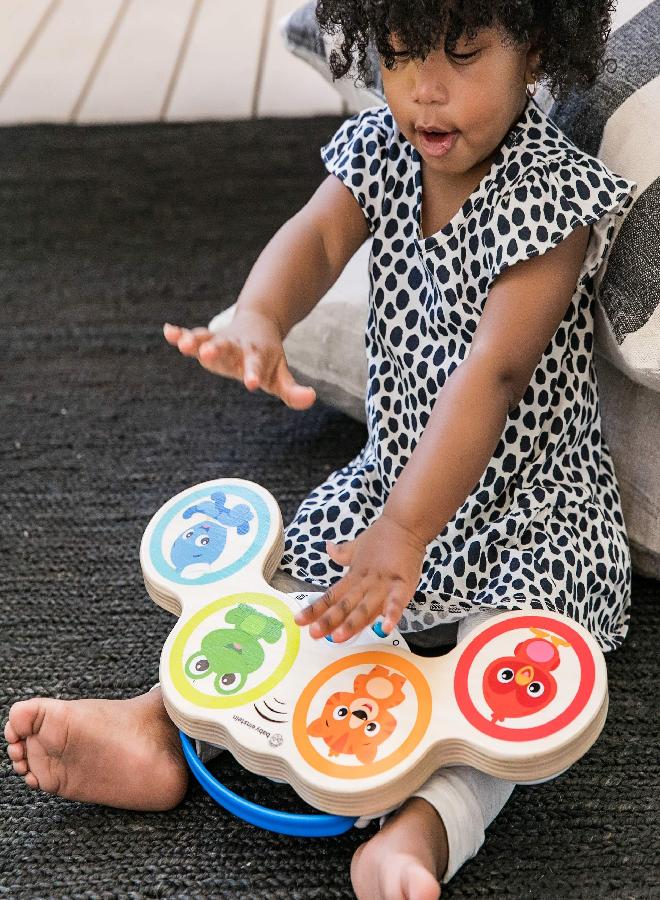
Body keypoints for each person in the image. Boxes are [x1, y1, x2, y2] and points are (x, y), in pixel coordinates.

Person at [5, 2, 636, 896]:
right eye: (401, 53)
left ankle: (424, 831)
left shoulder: (554, 198)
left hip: (531, 510)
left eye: (461, 55)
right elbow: (316, 235)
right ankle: (159, 724)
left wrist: (409, 531)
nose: (426, 88)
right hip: (392, 490)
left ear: (534, 50)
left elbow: (492, 376)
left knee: (514, 685)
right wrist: (262, 318)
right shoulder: (385, 146)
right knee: (294, 599)